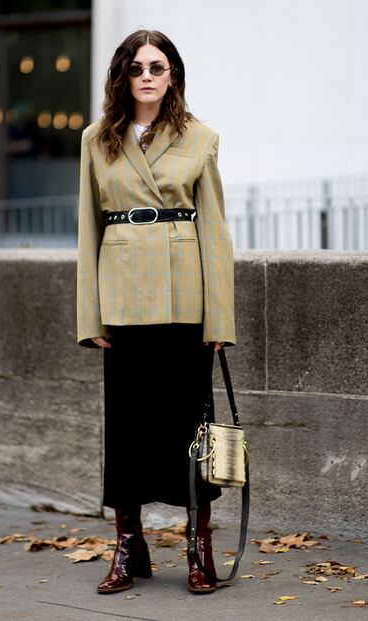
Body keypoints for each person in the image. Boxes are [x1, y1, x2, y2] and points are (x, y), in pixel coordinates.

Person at [76, 29, 235, 595]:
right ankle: (127, 546)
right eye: (137, 66)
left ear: (173, 77)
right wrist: (90, 320)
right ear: (123, 75)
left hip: (183, 299)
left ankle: (198, 546)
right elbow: (87, 230)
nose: (147, 75)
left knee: (191, 430)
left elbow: (214, 233)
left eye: (158, 67)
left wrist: (220, 320)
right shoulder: (97, 140)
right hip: (122, 301)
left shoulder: (200, 138)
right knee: (125, 430)